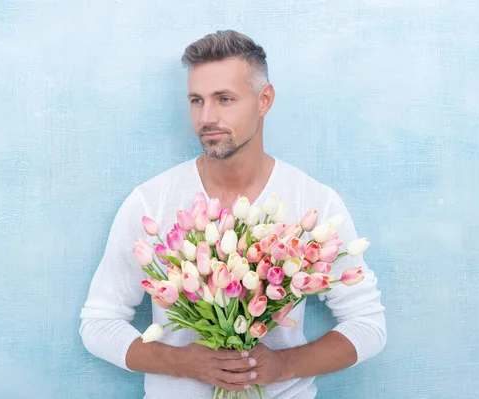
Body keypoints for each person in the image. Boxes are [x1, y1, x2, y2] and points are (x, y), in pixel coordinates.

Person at [79, 29, 386, 398]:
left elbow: (368, 325)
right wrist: (180, 362)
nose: (207, 117)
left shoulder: (313, 201)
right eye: (196, 100)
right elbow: (99, 324)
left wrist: (282, 366)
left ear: (264, 99)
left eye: (225, 99)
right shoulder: (152, 203)